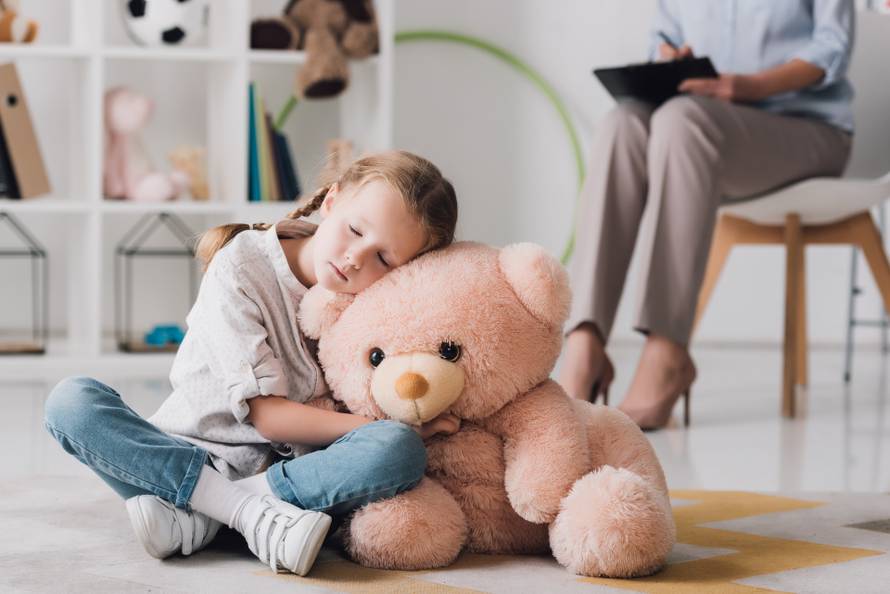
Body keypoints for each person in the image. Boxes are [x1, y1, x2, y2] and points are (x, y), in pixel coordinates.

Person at [44, 150, 460, 575]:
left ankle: (201, 516)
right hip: (183, 457)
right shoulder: (242, 265)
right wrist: (375, 426)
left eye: (384, 258)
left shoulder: (378, 301)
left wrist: (397, 429)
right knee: (71, 402)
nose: (356, 258)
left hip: (290, 478)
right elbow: (269, 418)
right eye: (354, 230)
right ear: (332, 201)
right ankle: (245, 514)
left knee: (399, 449)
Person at [559, 0, 855, 430]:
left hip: (805, 129)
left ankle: (668, 351)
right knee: (622, 124)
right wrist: (671, 60)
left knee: (684, 122)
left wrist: (751, 86)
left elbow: (833, 47)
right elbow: (664, 39)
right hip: (700, 122)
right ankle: (585, 344)